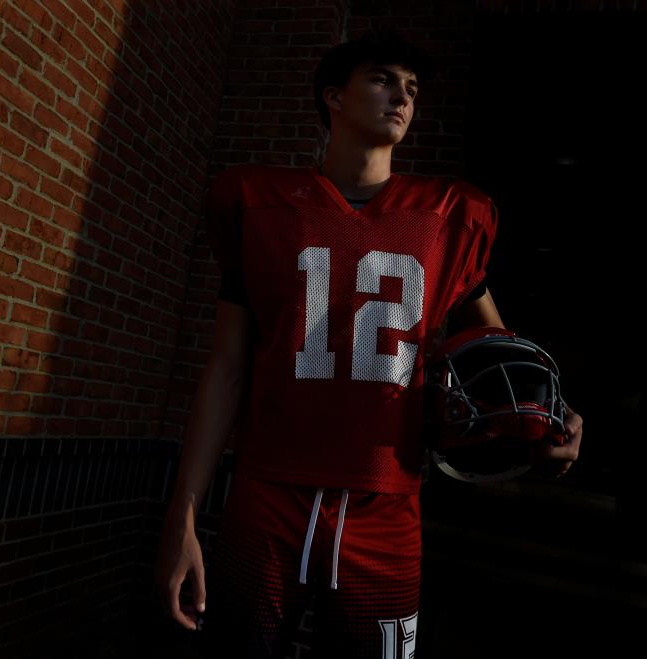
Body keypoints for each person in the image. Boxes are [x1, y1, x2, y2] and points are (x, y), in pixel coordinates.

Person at [154, 31, 583, 658]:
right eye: (383, 79)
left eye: (412, 89)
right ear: (332, 96)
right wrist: (182, 517)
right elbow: (226, 368)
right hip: (268, 495)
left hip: (387, 505)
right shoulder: (259, 203)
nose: (402, 97)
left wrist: (548, 427)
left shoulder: (447, 217)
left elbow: (499, 361)